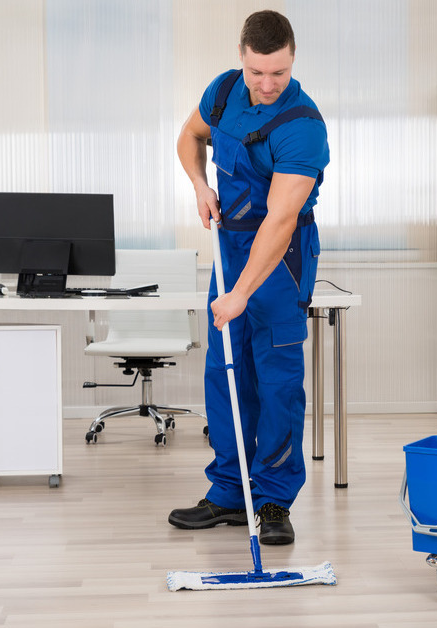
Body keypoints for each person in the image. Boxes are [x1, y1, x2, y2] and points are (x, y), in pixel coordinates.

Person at [168, 10, 328, 546]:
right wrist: (199, 186)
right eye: (257, 71)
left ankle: (274, 500)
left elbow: (280, 223)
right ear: (242, 56)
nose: (265, 85)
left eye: (277, 73)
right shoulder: (223, 91)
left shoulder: (303, 126)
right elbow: (189, 138)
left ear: (292, 58)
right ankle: (230, 493)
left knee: (277, 375)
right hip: (228, 245)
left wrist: (239, 293)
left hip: (279, 259)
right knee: (226, 370)